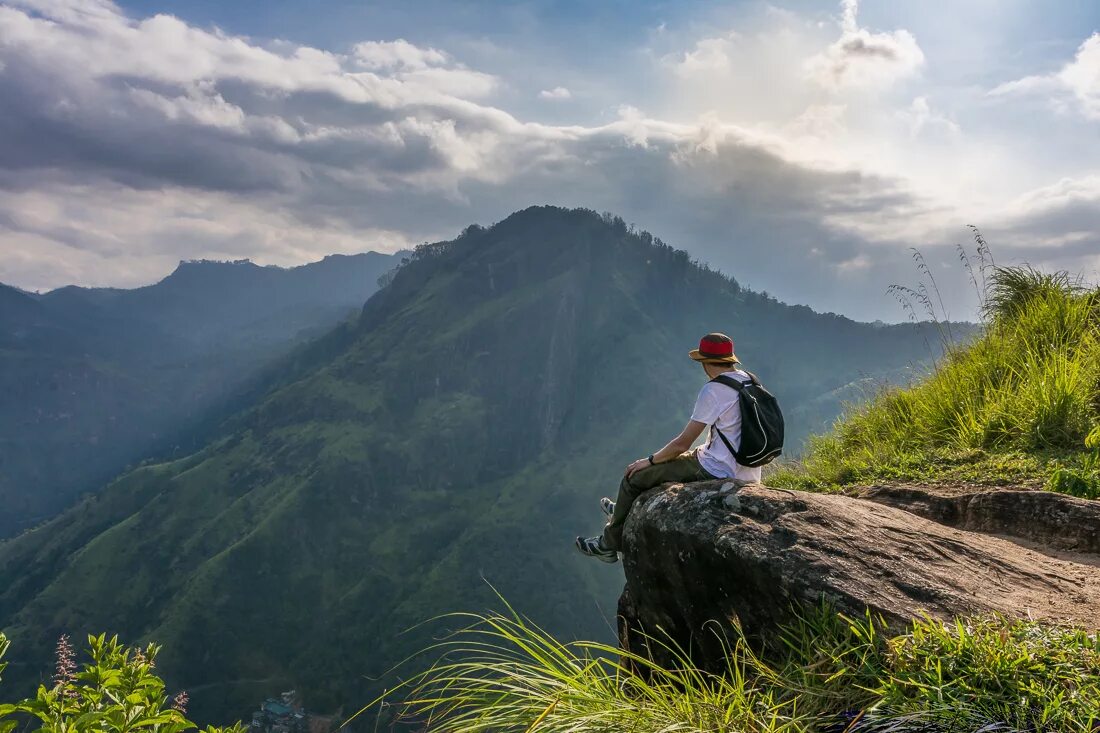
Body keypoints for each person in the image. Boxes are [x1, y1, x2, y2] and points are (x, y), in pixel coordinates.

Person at [575, 332, 763, 563]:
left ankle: (608, 543)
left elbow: (682, 443)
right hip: (748, 470)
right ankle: (622, 513)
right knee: (666, 466)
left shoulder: (714, 390)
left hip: (718, 469)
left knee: (634, 477)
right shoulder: (749, 380)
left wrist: (650, 460)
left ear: (704, 362)